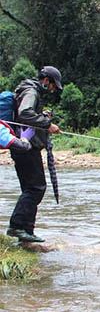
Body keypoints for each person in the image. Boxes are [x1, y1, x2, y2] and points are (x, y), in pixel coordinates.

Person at [6, 66, 63, 243]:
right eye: (53, 85)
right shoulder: (31, 91)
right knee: (36, 187)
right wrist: (47, 125)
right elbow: (25, 113)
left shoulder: (29, 90)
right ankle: (17, 227)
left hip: (22, 145)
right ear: (46, 80)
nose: (53, 89)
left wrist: (42, 117)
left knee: (30, 188)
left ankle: (26, 232)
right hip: (25, 147)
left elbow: (26, 114)